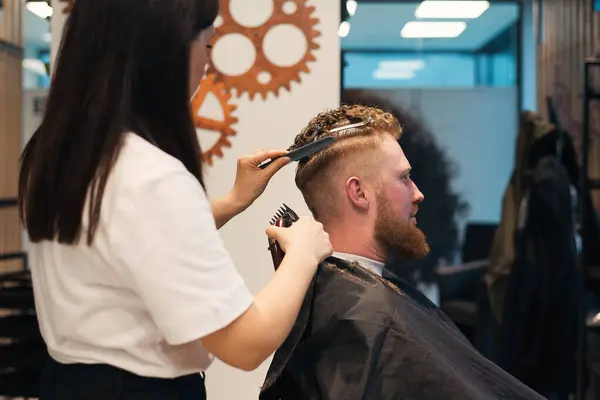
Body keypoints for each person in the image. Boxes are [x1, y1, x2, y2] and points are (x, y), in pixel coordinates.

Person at [18, 1, 332, 399]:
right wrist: (304, 253)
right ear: (164, 52)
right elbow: (246, 342)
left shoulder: (59, 153)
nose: (207, 63)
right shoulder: (150, 178)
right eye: (206, 44)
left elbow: (127, 239)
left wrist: (234, 201)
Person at [259, 105, 544, 400]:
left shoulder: (354, 302)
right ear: (359, 192)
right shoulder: (365, 319)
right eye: (404, 178)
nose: (417, 193)